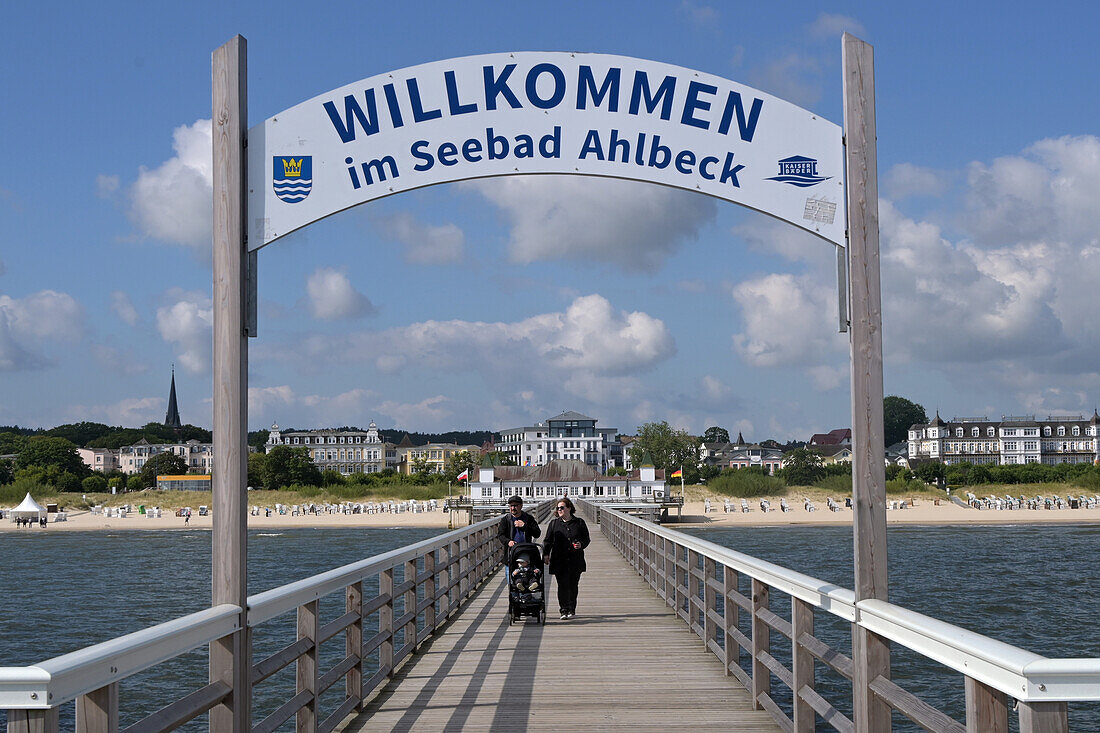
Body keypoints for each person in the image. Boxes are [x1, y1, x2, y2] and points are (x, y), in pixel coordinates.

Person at [542, 497, 590, 620]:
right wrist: (546, 554)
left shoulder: (579, 522)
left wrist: (581, 544)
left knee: (573, 585)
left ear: (569, 508)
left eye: (562, 507)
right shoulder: (554, 524)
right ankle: (563, 610)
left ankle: (571, 608)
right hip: (559, 559)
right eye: (558, 508)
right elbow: (548, 541)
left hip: (575, 559)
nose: (559, 510)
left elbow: (586, 539)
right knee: (562, 585)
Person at [497, 496, 541, 560]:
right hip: (511, 552)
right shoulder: (505, 520)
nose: (513, 508)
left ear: (521, 506)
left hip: (526, 551)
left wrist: (525, 526)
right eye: (511, 506)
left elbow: (537, 534)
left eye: (515, 506)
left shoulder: (528, 518)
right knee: (510, 569)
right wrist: (508, 542)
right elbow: (500, 535)